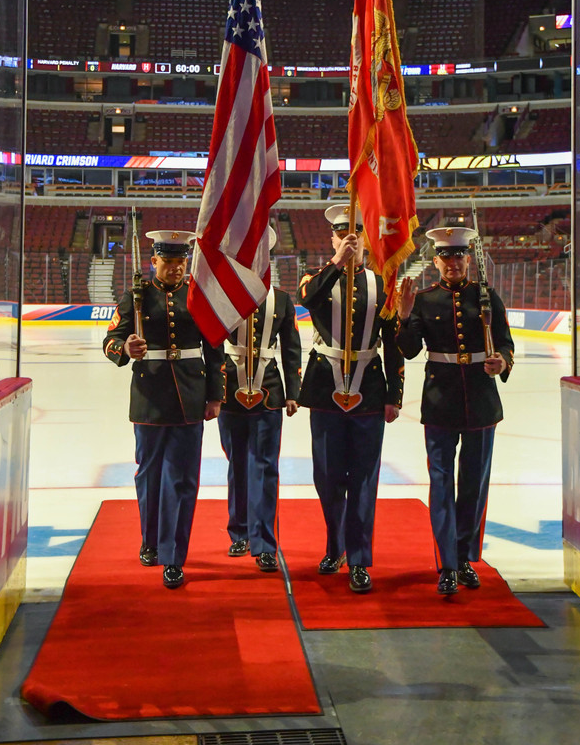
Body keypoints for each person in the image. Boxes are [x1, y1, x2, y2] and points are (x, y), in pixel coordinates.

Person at [103, 229, 225, 589]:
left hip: (190, 396)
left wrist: (215, 395)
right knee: (149, 475)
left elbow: (215, 351)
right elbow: (110, 340)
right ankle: (151, 539)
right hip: (149, 398)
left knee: (183, 480)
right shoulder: (134, 298)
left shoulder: (198, 298)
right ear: (153, 261)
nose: (175, 268)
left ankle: (174, 556)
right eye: (168, 261)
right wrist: (125, 347)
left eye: (180, 261)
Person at [396, 226, 514, 595]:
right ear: (435, 261)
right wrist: (402, 316)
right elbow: (409, 350)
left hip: (481, 401)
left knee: (473, 486)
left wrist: (502, 362)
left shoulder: (487, 297)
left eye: (459, 255)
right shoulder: (425, 300)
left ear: (468, 259)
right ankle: (447, 563)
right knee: (442, 484)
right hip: (440, 401)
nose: (453, 262)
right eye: (446, 256)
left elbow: (507, 345)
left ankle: (464, 557)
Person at [297, 204, 403, 594]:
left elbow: (392, 345)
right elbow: (307, 298)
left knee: (363, 478)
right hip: (326, 390)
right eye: (342, 235)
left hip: (369, 392)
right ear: (333, 239)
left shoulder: (381, 284)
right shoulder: (317, 278)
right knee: (327, 476)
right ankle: (334, 545)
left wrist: (395, 394)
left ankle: (359, 558)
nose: (349, 241)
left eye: (354, 236)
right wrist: (337, 262)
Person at [219, 226, 301, 572]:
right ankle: (239, 532)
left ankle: (264, 541)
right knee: (237, 463)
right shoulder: (222, 295)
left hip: (269, 392)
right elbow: (210, 347)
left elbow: (292, 350)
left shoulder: (281, 300)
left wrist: (294, 394)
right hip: (228, 392)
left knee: (266, 467)